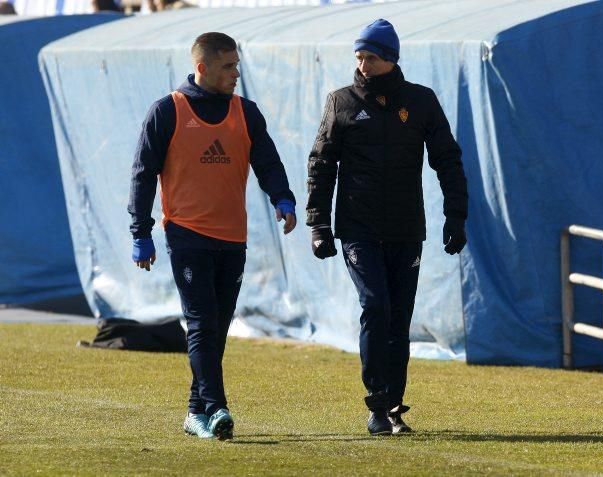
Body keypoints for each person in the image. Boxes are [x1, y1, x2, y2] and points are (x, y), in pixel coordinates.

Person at [128, 32, 296, 440]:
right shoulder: (167, 111)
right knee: (202, 321)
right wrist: (141, 232)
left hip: (233, 236)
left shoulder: (246, 112)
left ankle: (194, 412)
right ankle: (218, 407)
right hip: (186, 234)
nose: (237, 74)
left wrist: (283, 198)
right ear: (202, 68)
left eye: (238, 65)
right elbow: (142, 174)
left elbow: (268, 161)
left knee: (218, 326)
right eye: (228, 66)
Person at [306, 18, 468, 436]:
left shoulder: (421, 101)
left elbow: (447, 160)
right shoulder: (340, 102)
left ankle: (394, 406)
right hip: (358, 229)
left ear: (391, 59)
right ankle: (376, 403)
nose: (362, 65)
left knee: (399, 317)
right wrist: (318, 224)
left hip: (405, 228)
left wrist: (456, 216)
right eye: (358, 57)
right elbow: (321, 165)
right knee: (375, 306)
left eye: (371, 58)